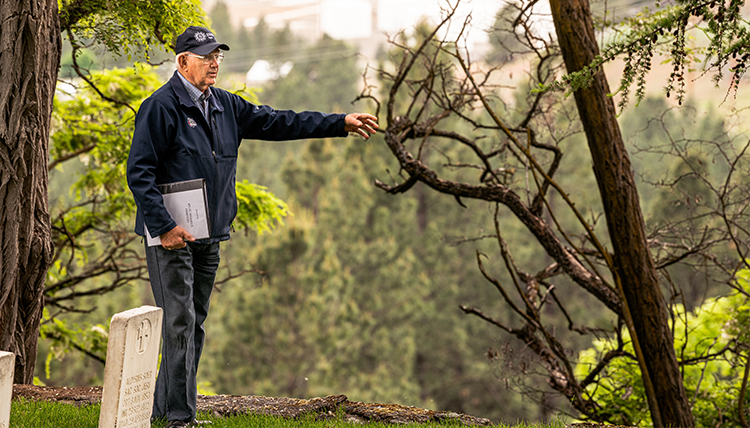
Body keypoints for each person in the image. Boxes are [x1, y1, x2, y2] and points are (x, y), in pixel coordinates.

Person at [126, 26, 378, 428]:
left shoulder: (225, 104)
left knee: (193, 321)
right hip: (170, 239)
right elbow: (139, 174)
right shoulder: (160, 107)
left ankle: (165, 410)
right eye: (206, 56)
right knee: (179, 322)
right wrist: (166, 226)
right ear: (182, 61)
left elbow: (279, 122)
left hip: (210, 235)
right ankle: (180, 419)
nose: (214, 63)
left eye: (218, 56)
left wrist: (339, 122)